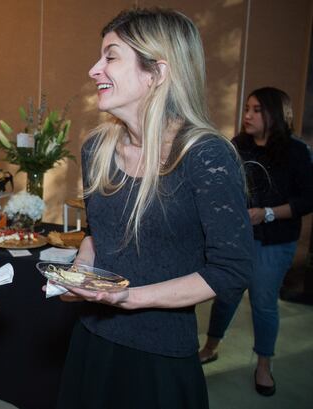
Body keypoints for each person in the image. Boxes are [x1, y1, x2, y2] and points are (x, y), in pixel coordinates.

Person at [51, 8, 253, 409]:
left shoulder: (205, 156)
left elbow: (231, 271)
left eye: (110, 56)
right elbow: (97, 234)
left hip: (160, 357)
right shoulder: (97, 148)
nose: (94, 69)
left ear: (157, 73)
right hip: (91, 342)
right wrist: (82, 274)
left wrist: (129, 298)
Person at [198, 87, 313, 396]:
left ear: (276, 114)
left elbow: (307, 200)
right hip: (238, 239)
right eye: (247, 108)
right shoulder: (237, 146)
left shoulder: (297, 152)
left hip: (275, 242)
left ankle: (264, 364)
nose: (247, 115)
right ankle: (211, 345)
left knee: (263, 303)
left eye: (257, 109)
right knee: (225, 296)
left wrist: (268, 214)